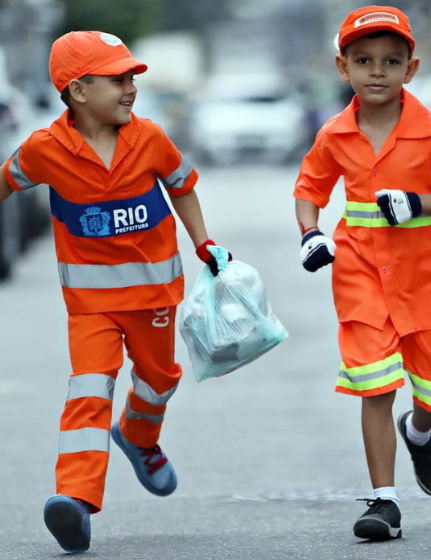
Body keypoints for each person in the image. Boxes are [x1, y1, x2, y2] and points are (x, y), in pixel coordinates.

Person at [0, 31, 229, 553]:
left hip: (153, 300)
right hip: (91, 308)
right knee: (88, 388)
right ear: (78, 91)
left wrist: (205, 242)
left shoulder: (149, 138)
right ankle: (74, 501)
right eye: (118, 79)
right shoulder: (43, 150)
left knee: (158, 380)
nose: (130, 88)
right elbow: (7, 180)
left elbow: (183, 185)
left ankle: (140, 438)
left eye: (132, 78)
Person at [293, 5, 431, 541]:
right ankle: (384, 502)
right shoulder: (334, 134)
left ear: (411, 69)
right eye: (364, 60)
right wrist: (311, 235)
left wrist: (419, 204)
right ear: (343, 68)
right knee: (374, 384)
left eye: (391, 60)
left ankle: (420, 434)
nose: (377, 71)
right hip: (360, 275)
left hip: (428, 282)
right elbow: (309, 190)